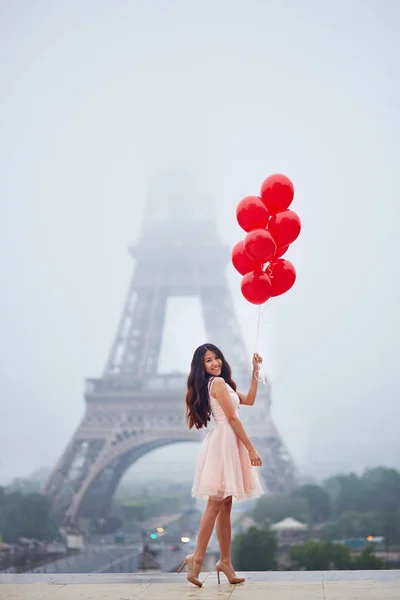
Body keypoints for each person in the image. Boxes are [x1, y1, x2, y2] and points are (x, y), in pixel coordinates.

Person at [178, 343, 264, 587]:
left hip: (227, 441)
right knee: (215, 504)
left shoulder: (221, 383)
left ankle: (225, 561)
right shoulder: (215, 384)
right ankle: (197, 558)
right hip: (226, 440)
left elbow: (249, 400)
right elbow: (233, 417)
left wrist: (255, 370)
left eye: (217, 358)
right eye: (208, 360)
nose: (215, 362)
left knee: (225, 505)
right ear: (201, 366)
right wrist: (251, 448)